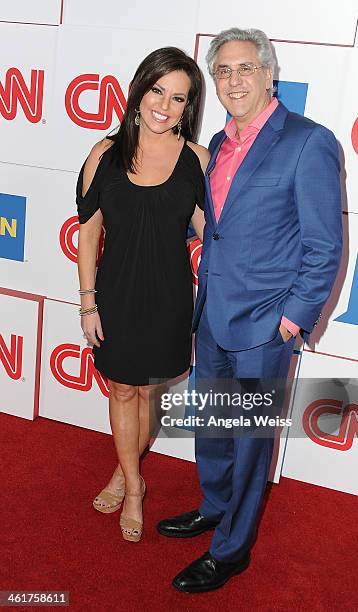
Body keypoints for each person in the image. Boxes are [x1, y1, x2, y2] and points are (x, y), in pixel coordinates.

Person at [157, 28, 343, 591]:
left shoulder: (309, 141)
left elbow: (325, 245)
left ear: (268, 74)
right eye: (223, 72)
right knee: (213, 427)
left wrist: (293, 318)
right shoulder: (218, 141)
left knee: (250, 442)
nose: (233, 81)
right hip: (213, 313)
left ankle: (232, 549)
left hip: (266, 326)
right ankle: (214, 508)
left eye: (244, 69)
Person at [76, 47, 209, 543]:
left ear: (187, 108)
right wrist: (88, 301)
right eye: (158, 91)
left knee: (149, 390)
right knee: (121, 389)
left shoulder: (197, 159)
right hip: (116, 294)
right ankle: (135, 487)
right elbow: (88, 234)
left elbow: (209, 229)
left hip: (170, 296)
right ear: (140, 90)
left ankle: (122, 471)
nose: (165, 106)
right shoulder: (103, 154)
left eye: (179, 98)